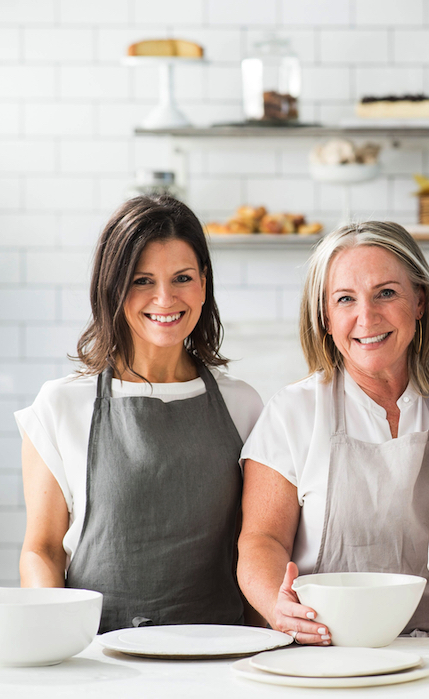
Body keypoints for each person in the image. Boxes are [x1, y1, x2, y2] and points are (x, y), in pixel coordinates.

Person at [18, 195, 263, 633]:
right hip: (98, 653)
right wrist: (51, 637)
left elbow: (257, 547)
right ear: (112, 288)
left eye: (182, 278)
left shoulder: (244, 405)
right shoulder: (59, 406)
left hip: (219, 652)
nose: (165, 298)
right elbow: (43, 551)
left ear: (203, 284)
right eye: (142, 280)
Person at [237, 221, 429, 645]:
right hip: (330, 651)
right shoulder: (293, 412)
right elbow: (262, 540)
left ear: (419, 301)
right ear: (325, 318)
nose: (366, 317)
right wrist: (281, 608)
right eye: (345, 299)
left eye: (386, 293)